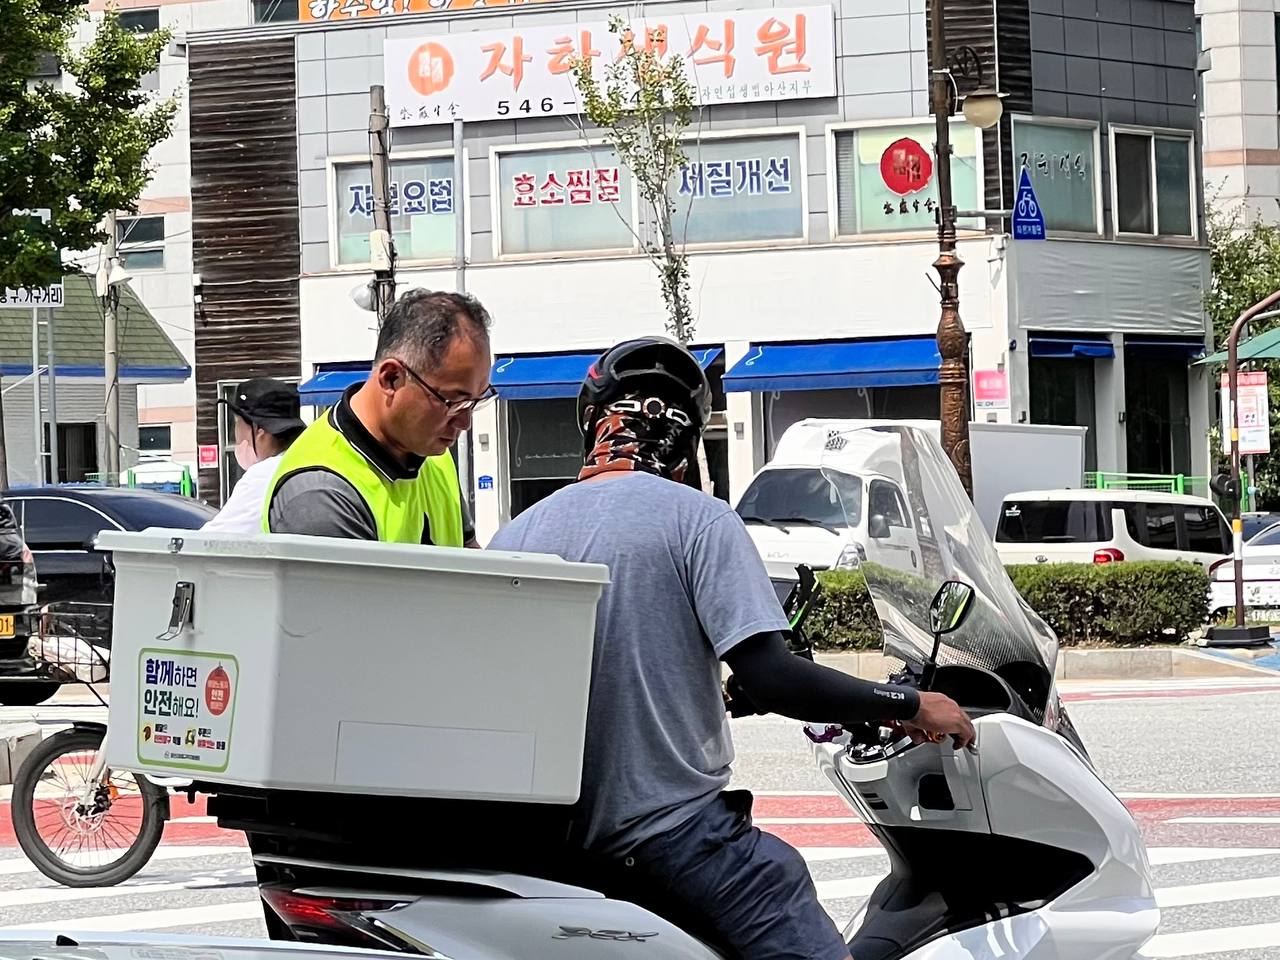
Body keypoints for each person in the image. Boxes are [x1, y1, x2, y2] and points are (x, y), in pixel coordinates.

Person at [487, 337, 975, 960]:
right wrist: (907, 702)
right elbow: (772, 676)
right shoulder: (699, 520)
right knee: (781, 886)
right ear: (688, 440)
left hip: (553, 848)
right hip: (669, 837)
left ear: (594, 423)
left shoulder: (515, 533)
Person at [262, 288, 494, 547]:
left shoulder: (432, 453)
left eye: (476, 401)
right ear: (391, 378)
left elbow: (472, 562)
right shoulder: (320, 494)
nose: (465, 422)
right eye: (454, 402)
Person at [202, 379, 305, 535]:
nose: (235, 431)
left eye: (237, 422)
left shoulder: (264, 476)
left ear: (259, 431)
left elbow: (212, 540)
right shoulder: (305, 462)